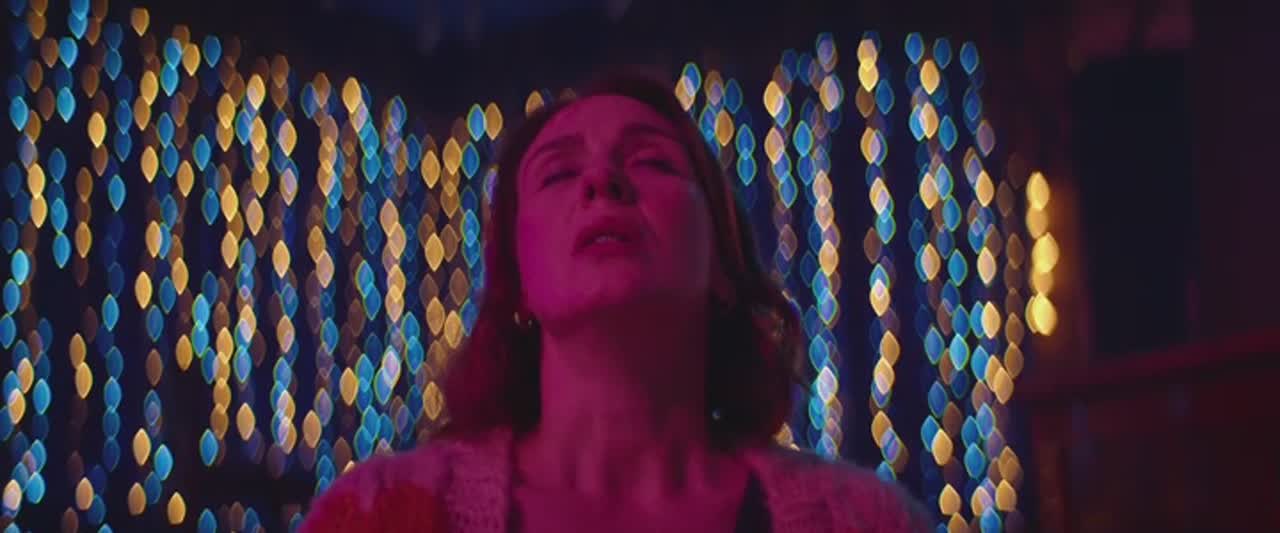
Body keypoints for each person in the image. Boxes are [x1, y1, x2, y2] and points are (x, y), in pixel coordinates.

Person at [299, 70, 930, 533]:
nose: (603, 181)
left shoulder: (864, 521)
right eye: (558, 173)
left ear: (722, 262)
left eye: (652, 162)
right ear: (517, 279)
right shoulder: (380, 514)